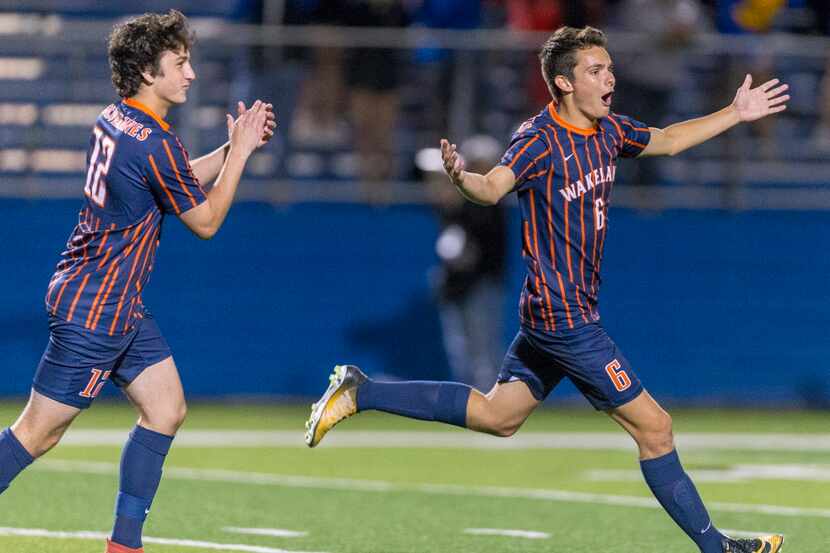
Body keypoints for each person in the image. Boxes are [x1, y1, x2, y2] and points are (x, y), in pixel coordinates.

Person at [305, 26, 789, 553]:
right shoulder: (538, 140)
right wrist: (463, 178)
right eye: (596, 71)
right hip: (565, 321)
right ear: (563, 83)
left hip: (556, 315)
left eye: (609, 68)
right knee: (657, 429)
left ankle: (360, 391)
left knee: (499, 416)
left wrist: (734, 113)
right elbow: (492, 187)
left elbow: (669, 141)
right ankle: (720, 550)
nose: (610, 78)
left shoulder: (609, 131)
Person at [0, 10, 275, 553]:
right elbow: (206, 221)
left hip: (113, 302)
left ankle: (124, 545)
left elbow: (170, 179)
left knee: (166, 408)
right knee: (37, 433)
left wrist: (228, 149)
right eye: (180, 62)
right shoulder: (154, 141)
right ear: (148, 72)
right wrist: (239, 154)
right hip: (95, 309)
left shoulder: (117, 118)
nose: (191, 73)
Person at [421, 136, 508, 391]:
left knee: (484, 350)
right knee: (461, 351)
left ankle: (491, 402)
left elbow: (481, 250)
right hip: (456, 286)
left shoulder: (492, 204)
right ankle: (469, 404)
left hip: (481, 285)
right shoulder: (459, 201)